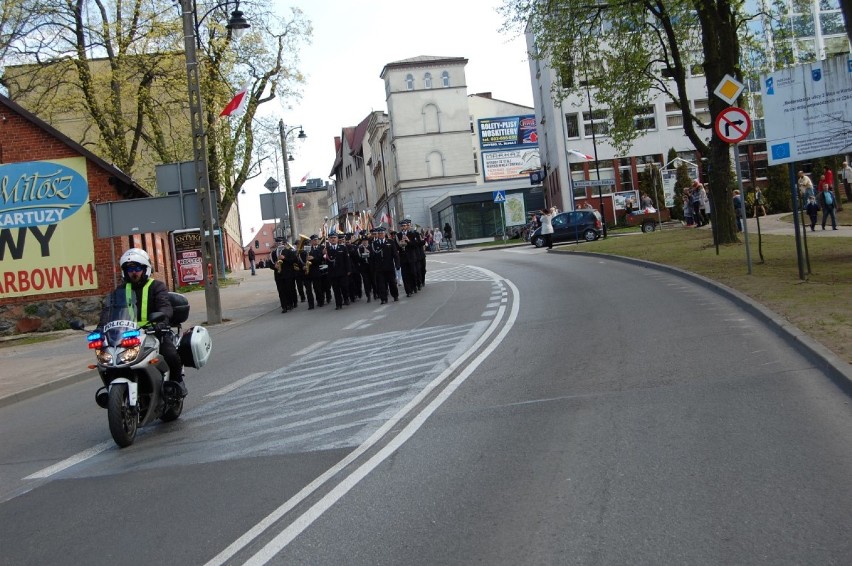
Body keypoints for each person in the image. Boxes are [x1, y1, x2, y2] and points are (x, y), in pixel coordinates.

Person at [99, 248, 186, 396]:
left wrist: (162, 321)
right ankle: (113, 391)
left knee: (170, 354)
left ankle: (177, 382)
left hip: (154, 332)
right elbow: (108, 312)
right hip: (126, 336)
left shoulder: (156, 286)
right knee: (107, 361)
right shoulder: (119, 291)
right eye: (129, 269)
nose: (134, 272)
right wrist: (100, 328)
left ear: (145, 269)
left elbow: (164, 306)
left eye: (137, 268)